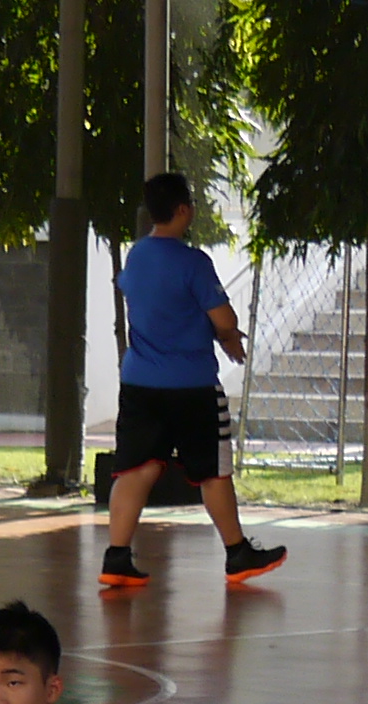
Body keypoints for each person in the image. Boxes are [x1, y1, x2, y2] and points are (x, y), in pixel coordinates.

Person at [97, 172, 288, 597]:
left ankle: (117, 558)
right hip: (192, 387)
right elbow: (224, 318)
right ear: (183, 210)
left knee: (137, 469)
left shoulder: (136, 256)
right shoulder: (193, 262)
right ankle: (237, 553)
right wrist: (229, 337)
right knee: (213, 472)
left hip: (140, 384)